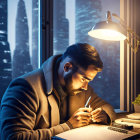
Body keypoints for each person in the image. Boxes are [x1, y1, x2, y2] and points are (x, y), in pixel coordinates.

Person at [0, 43, 116, 140]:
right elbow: (14, 137)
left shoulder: (80, 88)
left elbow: (107, 107)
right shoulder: (25, 88)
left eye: (89, 80)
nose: (86, 86)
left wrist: (104, 115)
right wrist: (68, 126)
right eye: (84, 79)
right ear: (67, 67)